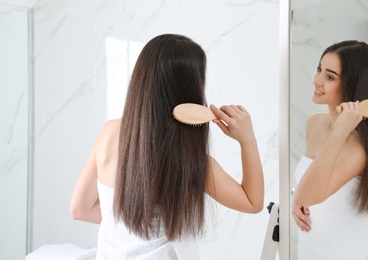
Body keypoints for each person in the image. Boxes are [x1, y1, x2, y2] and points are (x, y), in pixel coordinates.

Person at [70, 34, 264, 259]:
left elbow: (79, 209)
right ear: (191, 90)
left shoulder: (108, 134)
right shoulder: (191, 161)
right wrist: (247, 139)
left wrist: (130, 223)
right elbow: (252, 202)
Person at [292, 40, 368, 259]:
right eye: (319, 70)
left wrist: (340, 132)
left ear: (353, 84)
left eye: (330, 76)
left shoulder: (357, 146)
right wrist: (296, 202)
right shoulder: (315, 124)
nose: (316, 81)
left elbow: (307, 194)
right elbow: (313, 187)